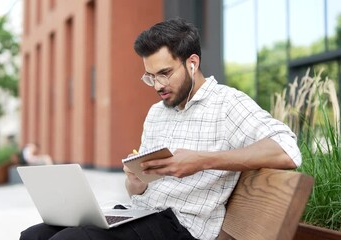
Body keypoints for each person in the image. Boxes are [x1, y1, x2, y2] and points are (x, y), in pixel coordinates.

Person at [19, 18, 301, 240]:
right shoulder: (156, 113)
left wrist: (201, 161)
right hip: (141, 214)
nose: (157, 86)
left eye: (165, 73)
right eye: (150, 76)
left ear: (192, 63)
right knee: (34, 235)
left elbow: (288, 150)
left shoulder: (227, 103)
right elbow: (138, 191)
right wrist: (135, 182)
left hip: (183, 227)